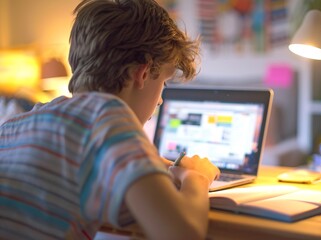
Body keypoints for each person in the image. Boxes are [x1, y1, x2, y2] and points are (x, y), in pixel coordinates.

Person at [0, 0, 220, 239]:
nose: (160, 101)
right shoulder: (107, 115)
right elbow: (181, 233)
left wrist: (147, 165)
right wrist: (196, 177)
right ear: (142, 73)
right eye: (163, 83)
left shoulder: (14, 126)